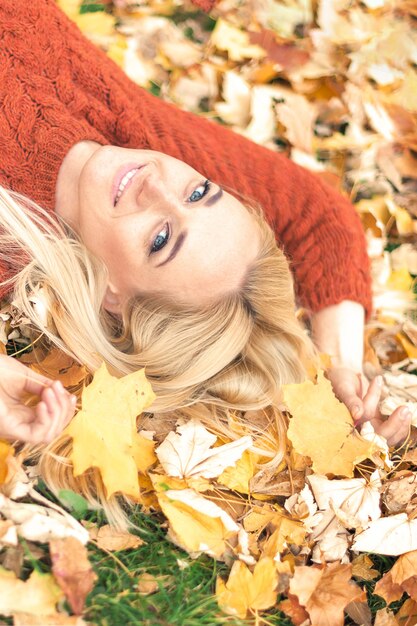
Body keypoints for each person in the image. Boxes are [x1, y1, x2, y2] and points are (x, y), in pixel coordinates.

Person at [0, 0, 410, 466]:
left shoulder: (8, 237)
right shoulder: (139, 135)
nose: (154, 185)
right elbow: (317, 215)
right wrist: (342, 372)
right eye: (200, 192)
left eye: (160, 240)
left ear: (113, 296)